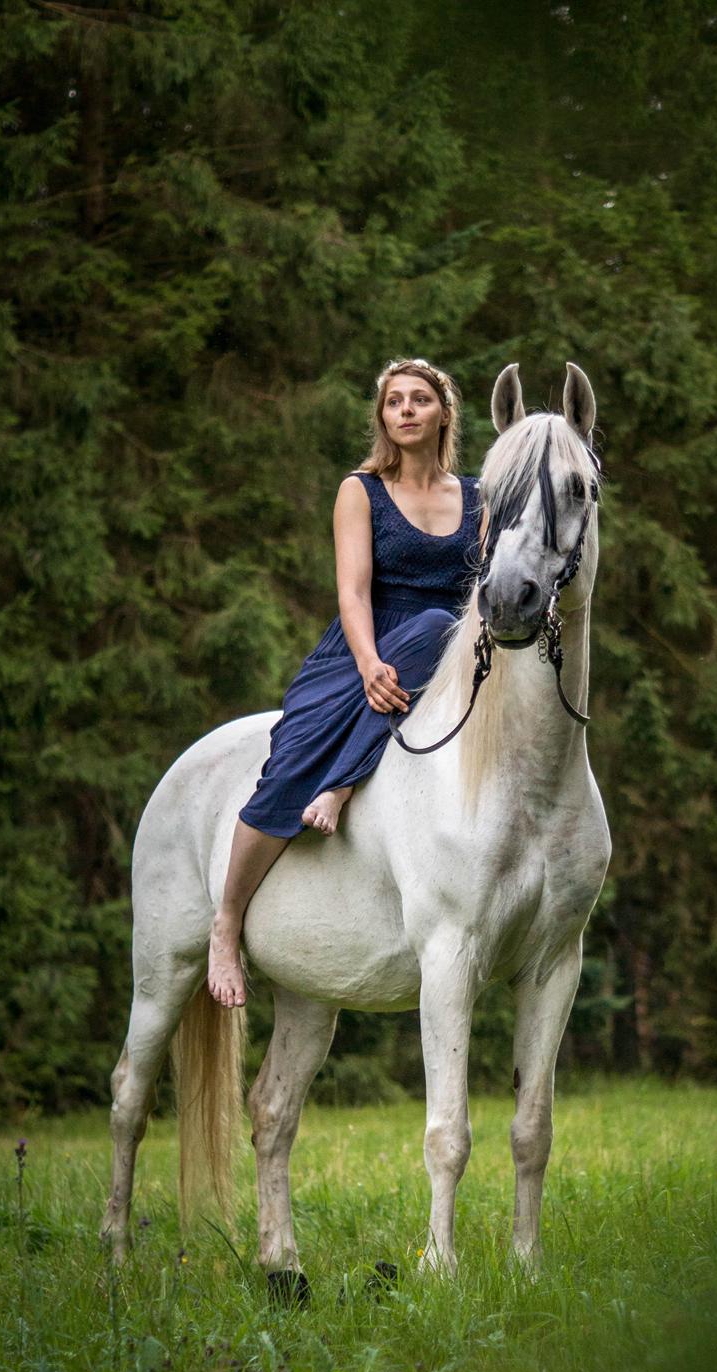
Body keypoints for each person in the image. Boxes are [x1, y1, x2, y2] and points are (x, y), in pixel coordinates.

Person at [206, 357, 487, 1007]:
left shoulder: (477, 498)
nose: (407, 410)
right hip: (360, 653)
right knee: (285, 768)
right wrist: (367, 665)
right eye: (395, 402)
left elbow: (481, 597)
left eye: (420, 399)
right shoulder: (359, 491)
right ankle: (226, 923)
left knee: (438, 621)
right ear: (383, 417)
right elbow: (352, 593)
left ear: (444, 412)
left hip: (441, 657)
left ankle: (343, 781)